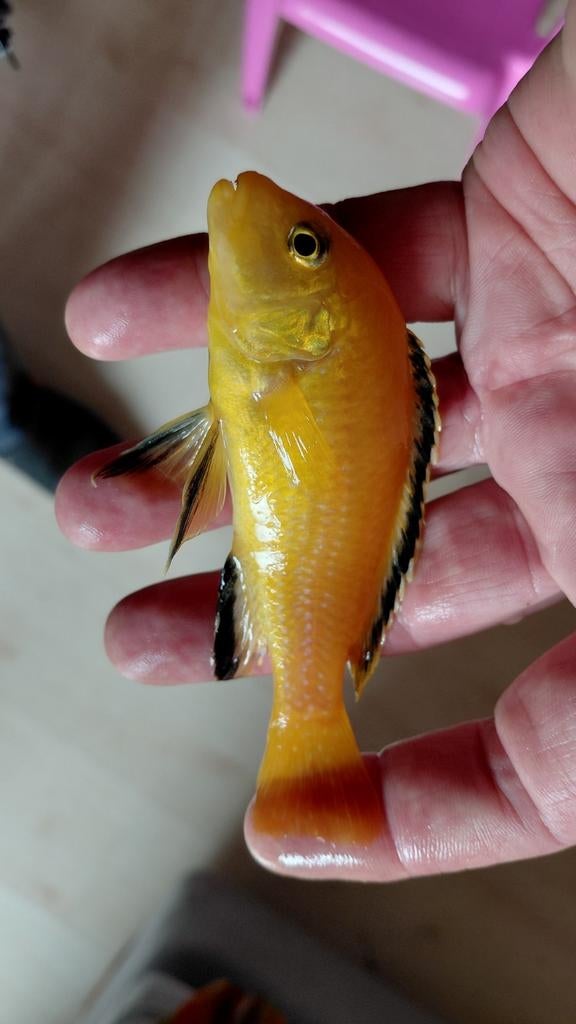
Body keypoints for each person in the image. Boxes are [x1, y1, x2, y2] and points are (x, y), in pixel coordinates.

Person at [56, 4, 576, 881]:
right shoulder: (288, 357)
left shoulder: (283, 358)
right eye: (311, 244)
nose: (283, 222)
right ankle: (306, 726)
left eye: (303, 246)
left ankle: (305, 726)